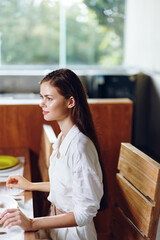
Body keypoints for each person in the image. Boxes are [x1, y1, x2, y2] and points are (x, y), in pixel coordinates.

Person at [0, 68, 103, 240]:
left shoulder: (80, 147)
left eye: (49, 98)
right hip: (56, 227)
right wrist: (30, 186)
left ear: (70, 102)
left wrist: (32, 223)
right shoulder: (63, 137)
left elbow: (85, 213)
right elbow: (66, 187)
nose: (42, 104)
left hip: (73, 235)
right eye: (42, 97)